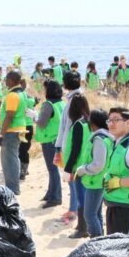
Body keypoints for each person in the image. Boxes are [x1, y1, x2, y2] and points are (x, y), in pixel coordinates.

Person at [75, 108, 114, 237]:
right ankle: (101, 241)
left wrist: (82, 169)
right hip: (99, 180)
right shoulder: (107, 137)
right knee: (96, 214)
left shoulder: (99, 139)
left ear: (93, 123)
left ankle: (96, 241)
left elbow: (98, 165)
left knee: (89, 215)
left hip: (95, 182)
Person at [54, 70, 84, 225]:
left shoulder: (73, 101)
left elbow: (66, 127)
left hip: (70, 145)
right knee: (74, 180)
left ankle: (74, 210)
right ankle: (75, 209)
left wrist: (60, 146)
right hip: (75, 144)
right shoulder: (78, 98)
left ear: (65, 84)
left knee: (72, 180)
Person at [62, 92, 91, 238]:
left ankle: (82, 229)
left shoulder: (78, 124)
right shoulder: (89, 122)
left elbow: (75, 149)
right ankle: (82, 226)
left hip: (79, 167)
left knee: (81, 198)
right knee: (85, 196)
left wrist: (67, 169)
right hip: (87, 165)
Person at [0, 70, 31, 194]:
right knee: (14, 157)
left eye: (6, 78)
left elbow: (9, 116)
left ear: (11, 80)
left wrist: (1, 134)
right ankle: (14, 187)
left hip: (12, 131)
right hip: (20, 128)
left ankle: (12, 188)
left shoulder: (12, 95)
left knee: (9, 160)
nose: (5, 81)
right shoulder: (22, 93)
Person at [34, 79, 64, 209]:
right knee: (53, 169)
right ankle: (50, 193)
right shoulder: (62, 103)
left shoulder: (48, 104)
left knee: (52, 169)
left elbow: (42, 123)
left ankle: (55, 197)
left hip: (49, 140)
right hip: (58, 138)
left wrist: (34, 116)